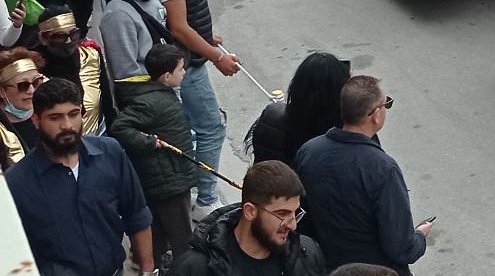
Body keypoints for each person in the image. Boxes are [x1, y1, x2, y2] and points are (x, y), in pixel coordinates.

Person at [5, 78, 157, 276]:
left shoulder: (109, 153)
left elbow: (136, 214)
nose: (66, 125)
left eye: (73, 114)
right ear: (36, 120)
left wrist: (147, 270)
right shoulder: (17, 182)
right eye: (55, 117)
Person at [154, 0, 242, 217]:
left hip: (184, 59)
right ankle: (205, 199)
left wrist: (206, 35)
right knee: (211, 127)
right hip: (188, 66)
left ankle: (193, 188)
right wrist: (217, 56)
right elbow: (178, 27)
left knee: (191, 127)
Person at [296, 76, 431, 275]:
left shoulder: (308, 152)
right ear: (376, 114)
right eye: (386, 104)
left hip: (329, 266)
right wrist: (419, 235)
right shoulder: (383, 169)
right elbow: (401, 248)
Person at [111, 42, 200, 268]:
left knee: (158, 231)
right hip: (169, 180)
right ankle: (184, 269)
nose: (184, 72)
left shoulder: (159, 94)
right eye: (180, 68)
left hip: (168, 176)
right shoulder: (151, 101)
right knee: (182, 237)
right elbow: (120, 127)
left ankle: (152, 265)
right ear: (167, 76)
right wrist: (149, 142)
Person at [171, 160, 328, 276]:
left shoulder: (307, 254)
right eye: (282, 214)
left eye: (295, 213)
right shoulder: (195, 268)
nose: (293, 225)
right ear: (250, 211)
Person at [36, 9, 109, 134]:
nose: (69, 41)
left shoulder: (91, 56)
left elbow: (108, 102)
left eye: (73, 34)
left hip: (97, 135)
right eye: (60, 36)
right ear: (44, 38)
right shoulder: (34, 70)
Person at [0, 48, 48, 166]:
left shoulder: (49, 109)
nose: (31, 90)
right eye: (23, 85)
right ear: (1, 90)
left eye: (36, 82)